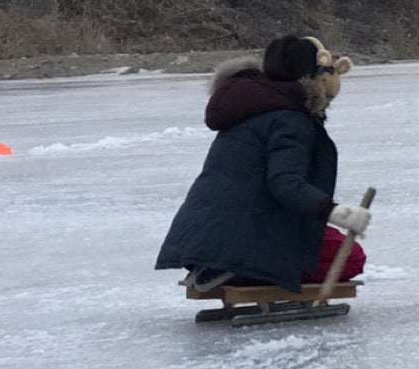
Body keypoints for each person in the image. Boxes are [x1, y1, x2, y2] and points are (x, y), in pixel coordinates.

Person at [156, 34, 373, 294]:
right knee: (351, 257)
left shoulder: (251, 103)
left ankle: (222, 262)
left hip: (205, 235)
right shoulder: (290, 120)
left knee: (319, 243)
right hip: (245, 235)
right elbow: (284, 183)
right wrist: (336, 212)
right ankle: (235, 267)